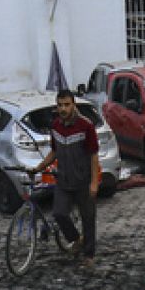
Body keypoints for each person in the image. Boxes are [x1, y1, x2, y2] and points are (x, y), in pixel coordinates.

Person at [33, 88, 102, 265]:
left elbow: (94, 155)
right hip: (63, 180)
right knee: (59, 213)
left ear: (73, 105)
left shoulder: (85, 126)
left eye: (67, 105)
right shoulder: (55, 126)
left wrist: (94, 182)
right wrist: (39, 167)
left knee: (88, 218)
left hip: (83, 181)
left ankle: (89, 254)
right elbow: (54, 151)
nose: (63, 108)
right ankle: (76, 240)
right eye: (60, 105)